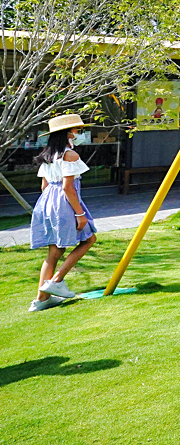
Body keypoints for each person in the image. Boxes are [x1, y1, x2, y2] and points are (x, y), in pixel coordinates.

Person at [28, 114, 97, 312]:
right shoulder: (69, 155)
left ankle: (41, 300)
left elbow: (44, 186)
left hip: (46, 203)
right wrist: (79, 213)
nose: (78, 132)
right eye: (76, 129)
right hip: (64, 203)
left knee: (54, 252)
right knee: (89, 239)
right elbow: (68, 188)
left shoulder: (48, 156)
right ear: (68, 133)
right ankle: (57, 280)